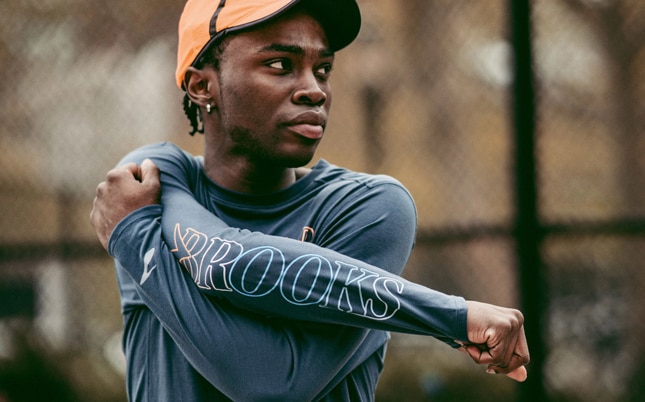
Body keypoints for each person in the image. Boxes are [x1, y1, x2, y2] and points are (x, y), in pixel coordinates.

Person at [90, 0, 530, 400]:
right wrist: (451, 315)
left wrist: (137, 238)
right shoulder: (150, 177)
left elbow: (272, 383)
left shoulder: (369, 209)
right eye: (280, 64)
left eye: (323, 69)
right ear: (202, 86)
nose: (314, 90)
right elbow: (226, 261)